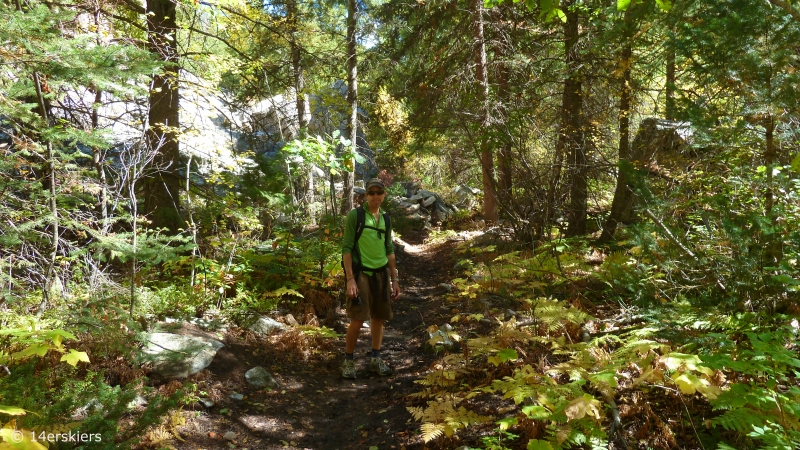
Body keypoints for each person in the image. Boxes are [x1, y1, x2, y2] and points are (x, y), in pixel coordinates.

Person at [341, 178, 400, 378]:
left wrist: (395, 279)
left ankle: (375, 359)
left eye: (379, 192)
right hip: (361, 274)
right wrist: (350, 279)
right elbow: (347, 248)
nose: (375, 196)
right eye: (371, 193)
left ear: (384, 194)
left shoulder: (386, 219)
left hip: (382, 274)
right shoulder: (355, 216)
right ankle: (348, 362)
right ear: (366, 195)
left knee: (379, 318)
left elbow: (389, 249)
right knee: (357, 319)